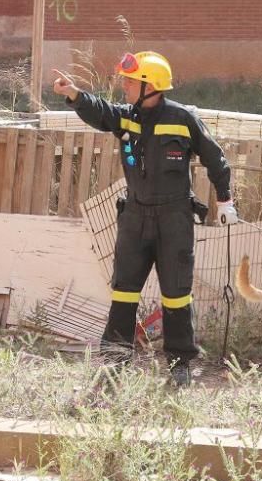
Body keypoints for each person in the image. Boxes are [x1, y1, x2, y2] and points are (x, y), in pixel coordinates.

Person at [51, 51, 237, 387]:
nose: (124, 86)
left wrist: (225, 200)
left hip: (174, 219)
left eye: (130, 81)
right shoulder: (127, 118)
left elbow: (215, 158)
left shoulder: (184, 118)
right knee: (123, 292)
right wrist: (75, 95)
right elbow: (101, 112)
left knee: (176, 294)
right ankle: (114, 361)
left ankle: (180, 366)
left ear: (149, 85)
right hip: (135, 218)